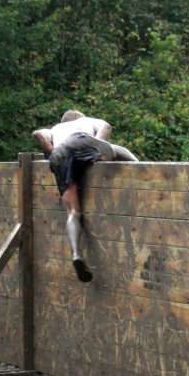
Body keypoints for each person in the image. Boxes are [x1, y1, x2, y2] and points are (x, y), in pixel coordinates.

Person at [32, 110, 138, 282]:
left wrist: (51, 150)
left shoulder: (55, 128)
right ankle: (140, 165)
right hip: (80, 140)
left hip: (59, 155)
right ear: (79, 118)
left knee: (73, 212)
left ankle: (76, 253)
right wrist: (99, 144)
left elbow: (37, 133)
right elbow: (106, 126)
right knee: (116, 151)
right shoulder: (86, 121)